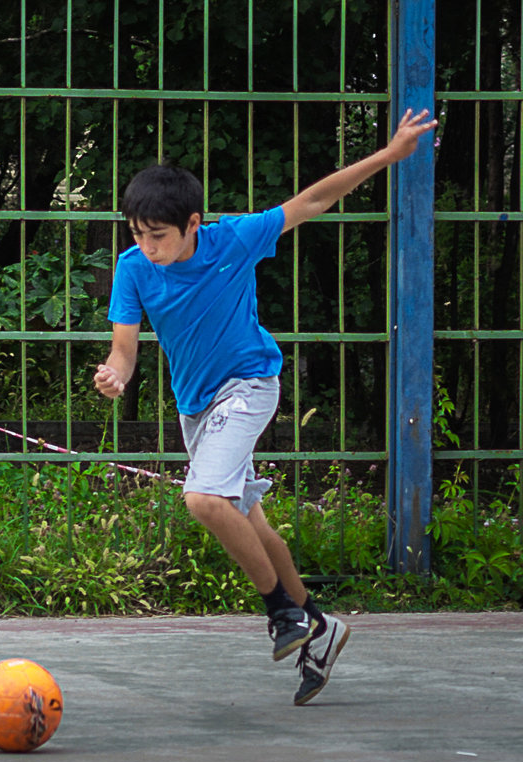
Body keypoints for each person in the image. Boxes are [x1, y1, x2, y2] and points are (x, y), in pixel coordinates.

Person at [94, 109, 439, 705]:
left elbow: (311, 200)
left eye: (159, 236)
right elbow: (125, 349)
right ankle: (320, 627)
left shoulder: (235, 238)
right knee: (252, 523)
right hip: (196, 409)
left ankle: (281, 611)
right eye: (137, 234)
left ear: (192, 224)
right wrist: (114, 375)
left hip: (250, 385)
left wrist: (390, 154)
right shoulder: (132, 269)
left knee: (203, 498)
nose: (147, 248)